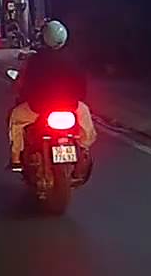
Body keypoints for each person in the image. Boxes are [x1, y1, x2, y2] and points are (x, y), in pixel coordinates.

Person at [8, 20, 97, 169]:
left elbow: (24, 84)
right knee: (86, 117)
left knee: (16, 119)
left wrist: (21, 91)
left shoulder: (35, 60)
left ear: (44, 38)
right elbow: (82, 88)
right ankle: (84, 149)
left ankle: (16, 158)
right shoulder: (74, 60)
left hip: (38, 108)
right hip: (71, 106)